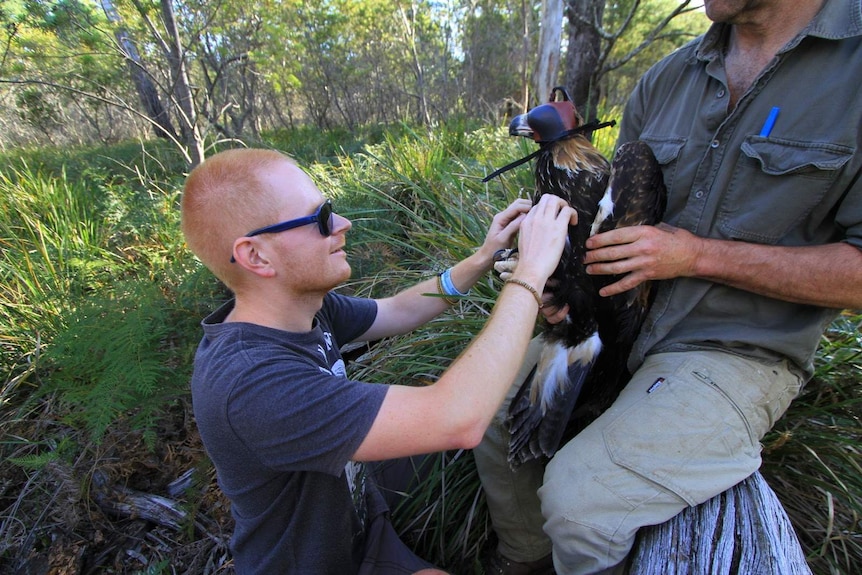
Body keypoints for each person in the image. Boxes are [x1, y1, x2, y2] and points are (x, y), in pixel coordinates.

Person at [474, 0, 862, 573]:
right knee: (486, 412)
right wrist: (566, 288)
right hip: (616, 323)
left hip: (731, 350)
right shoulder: (670, 77)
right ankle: (524, 561)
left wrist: (698, 257)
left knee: (581, 504)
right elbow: (611, 218)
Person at [179, 147, 577, 574]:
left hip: (360, 526)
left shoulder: (303, 309)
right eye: (320, 218)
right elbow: (459, 420)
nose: (342, 224)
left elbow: (398, 311)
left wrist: (484, 257)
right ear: (256, 256)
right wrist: (531, 272)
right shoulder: (251, 384)